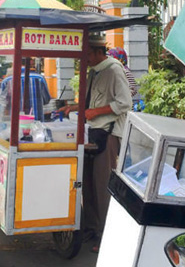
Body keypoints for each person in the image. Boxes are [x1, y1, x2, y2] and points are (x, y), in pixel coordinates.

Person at [59, 34, 132, 252]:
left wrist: (95, 112)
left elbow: (124, 102)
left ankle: (108, 235)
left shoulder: (114, 69)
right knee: (88, 184)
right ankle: (92, 227)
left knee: (102, 186)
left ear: (98, 51)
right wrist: (73, 108)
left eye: (87, 53)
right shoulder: (94, 71)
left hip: (108, 135)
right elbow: (90, 101)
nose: (84, 58)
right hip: (93, 133)